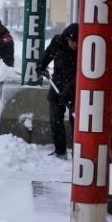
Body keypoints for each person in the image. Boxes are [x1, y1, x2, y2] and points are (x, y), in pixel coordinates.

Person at [36, 23, 78, 159]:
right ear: (67, 38)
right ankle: (60, 151)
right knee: (55, 121)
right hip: (57, 85)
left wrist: (68, 91)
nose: (76, 45)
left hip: (74, 90)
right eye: (73, 42)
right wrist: (41, 65)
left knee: (76, 123)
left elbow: (81, 74)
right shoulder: (57, 42)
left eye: (78, 42)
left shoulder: (84, 49)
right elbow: (48, 54)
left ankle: (79, 153)